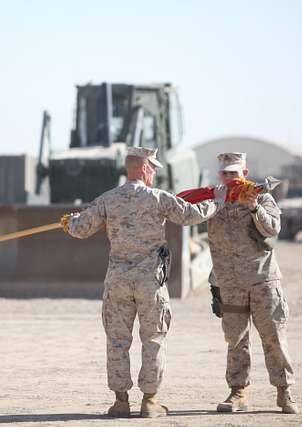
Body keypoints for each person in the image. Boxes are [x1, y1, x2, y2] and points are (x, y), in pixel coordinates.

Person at [62, 147, 225, 418]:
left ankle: (120, 401)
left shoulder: (107, 200)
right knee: (153, 339)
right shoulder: (158, 198)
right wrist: (217, 202)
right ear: (146, 168)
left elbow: (80, 229)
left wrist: (70, 222)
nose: (154, 174)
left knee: (117, 340)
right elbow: (190, 215)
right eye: (153, 169)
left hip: (118, 282)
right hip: (150, 281)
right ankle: (150, 401)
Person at [207, 152, 298, 414]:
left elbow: (273, 229)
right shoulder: (215, 200)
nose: (229, 178)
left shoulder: (262, 198)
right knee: (236, 340)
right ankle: (238, 392)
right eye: (224, 173)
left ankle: (284, 391)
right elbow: (189, 214)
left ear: (244, 174)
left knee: (273, 338)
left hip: (262, 281)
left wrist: (253, 207)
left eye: (234, 173)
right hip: (230, 283)